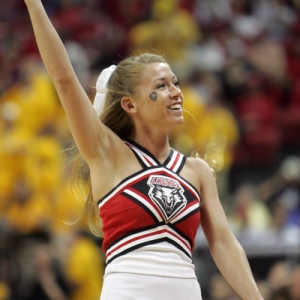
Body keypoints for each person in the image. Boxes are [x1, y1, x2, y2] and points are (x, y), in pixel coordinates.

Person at [24, 1, 264, 299]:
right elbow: (64, 79)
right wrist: (34, 6)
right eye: (161, 86)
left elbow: (224, 244)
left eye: (175, 83)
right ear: (130, 104)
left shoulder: (198, 171)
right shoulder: (107, 154)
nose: (176, 92)